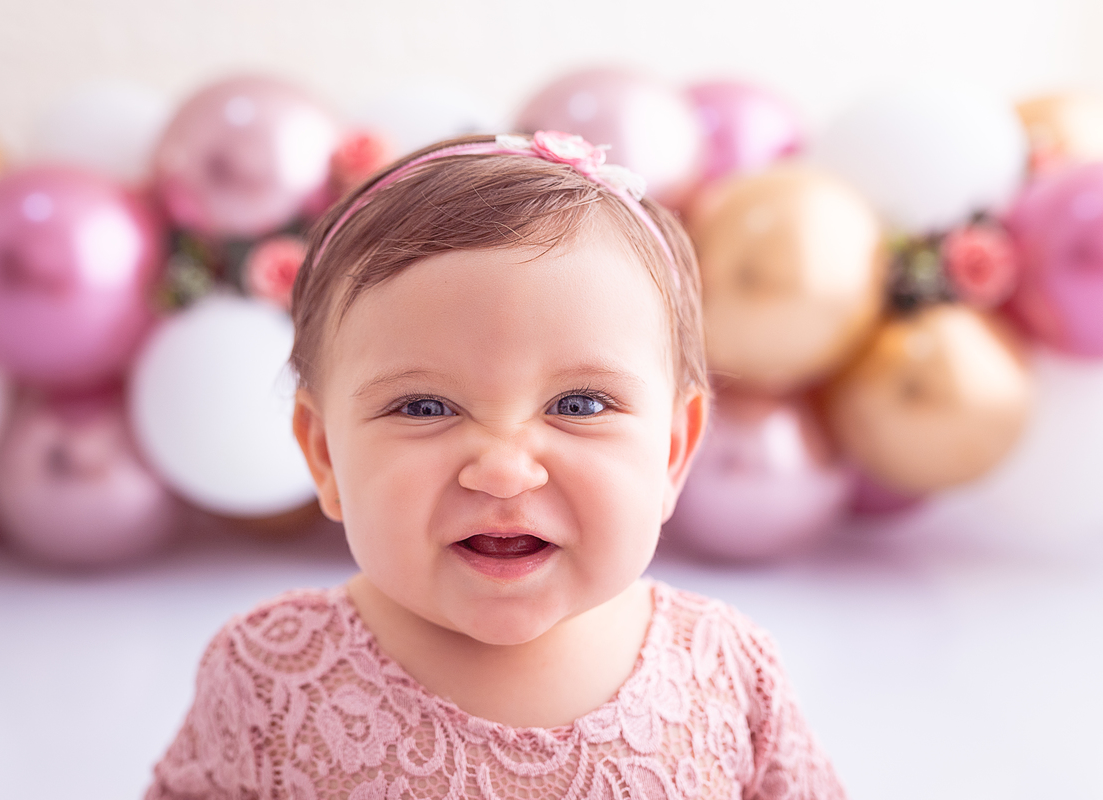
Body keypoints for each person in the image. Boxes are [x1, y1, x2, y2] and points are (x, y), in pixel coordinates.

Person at [145, 131, 845, 799]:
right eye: (423, 407)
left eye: (578, 403)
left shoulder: (725, 669)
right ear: (324, 453)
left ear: (671, 450)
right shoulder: (268, 676)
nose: (504, 472)